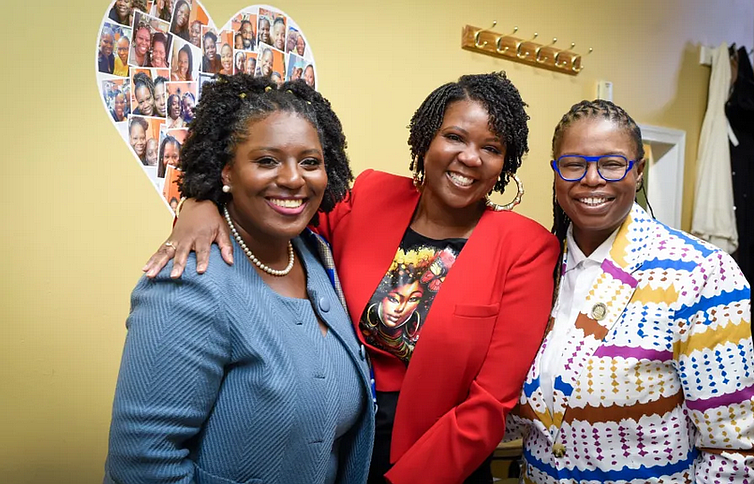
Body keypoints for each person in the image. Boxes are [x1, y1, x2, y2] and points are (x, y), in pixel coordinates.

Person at [142, 72, 559, 484]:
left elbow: (489, 404)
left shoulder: (526, 247)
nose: (470, 157)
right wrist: (200, 202)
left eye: (491, 148)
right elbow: (282, 209)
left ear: (507, 163)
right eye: (455, 137)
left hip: (434, 460)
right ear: (427, 138)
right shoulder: (373, 195)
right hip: (331, 446)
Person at [105, 75, 374, 484]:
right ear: (226, 172)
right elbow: (143, 464)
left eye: (310, 162)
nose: (293, 179)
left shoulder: (317, 258)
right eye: (267, 160)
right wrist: (196, 201)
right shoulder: (187, 281)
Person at [505, 99, 754, 483]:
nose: (592, 179)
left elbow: (734, 450)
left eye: (612, 165)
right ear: (556, 173)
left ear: (639, 171)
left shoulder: (700, 274)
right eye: (574, 164)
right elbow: (516, 415)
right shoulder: (536, 269)